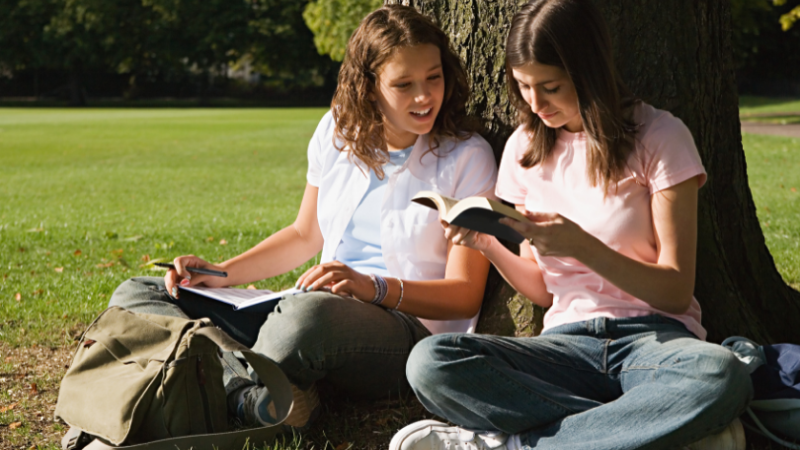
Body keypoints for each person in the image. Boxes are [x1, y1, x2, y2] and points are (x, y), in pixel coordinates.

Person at [108, 5, 496, 430]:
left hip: (400, 330)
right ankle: (258, 396)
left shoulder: (467, 157)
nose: (424, 97)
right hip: (309, 307)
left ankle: (223, 381)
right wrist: (219, 274)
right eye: (404, 84)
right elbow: (303, 234)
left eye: (434, 77)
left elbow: (464, 294)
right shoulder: (336, 132)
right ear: (368, 88)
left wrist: (373, 287)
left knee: (303, 320)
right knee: (142, 295)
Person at [390, 0, 753, 449]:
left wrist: (581, 245)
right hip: (564, 347)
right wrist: (487, 243)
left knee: (719, 374)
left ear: (589, 73)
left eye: (552, 87)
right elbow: (543, 291)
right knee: (430, 362)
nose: (535, 103)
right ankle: (652, 430)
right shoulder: (525, 148)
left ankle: (517, 444)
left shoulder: (660, 136)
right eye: (523, 87)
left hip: (652, 342)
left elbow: (676, 290)